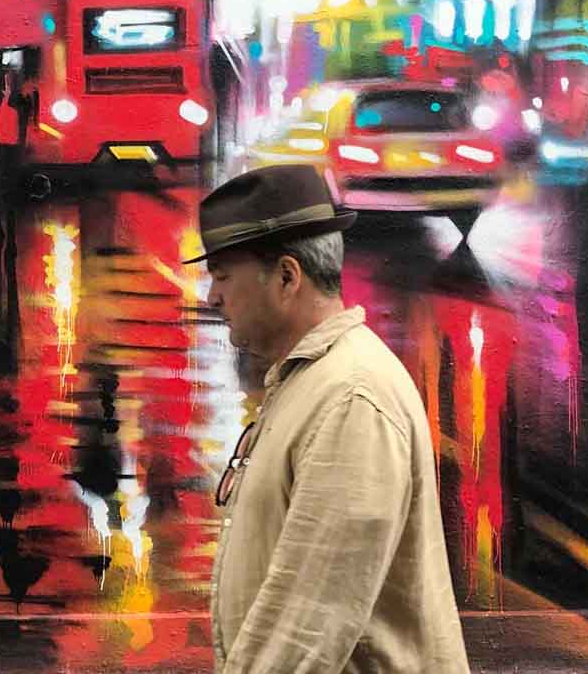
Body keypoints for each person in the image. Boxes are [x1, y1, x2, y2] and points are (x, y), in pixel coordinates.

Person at [189, 164, 469, 673]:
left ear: (287, 277)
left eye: (224, 275)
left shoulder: (349, 397)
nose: (213, 296)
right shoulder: (314, 381)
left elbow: (307, 626)